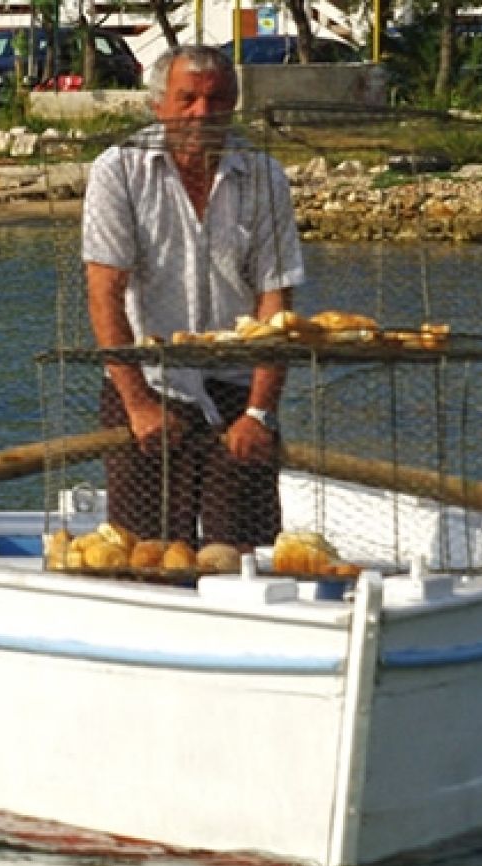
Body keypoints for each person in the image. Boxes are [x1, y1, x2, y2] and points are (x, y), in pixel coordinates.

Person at [81, 45, 304, 549]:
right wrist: (136, 402)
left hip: (237, 388)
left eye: (217, 100)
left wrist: (259, 413)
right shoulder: (118, 170)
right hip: (148, 383)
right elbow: (105, 294)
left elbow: (275, 302)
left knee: (242, 553)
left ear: (235, 104)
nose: (202, 113)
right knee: (148, 553)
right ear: (159, 105)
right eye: (187, 100)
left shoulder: (263, 176)